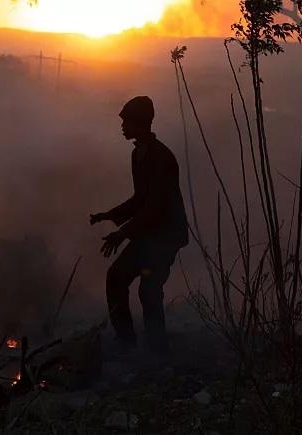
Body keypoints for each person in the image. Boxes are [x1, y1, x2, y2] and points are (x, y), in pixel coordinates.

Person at [90, 96, 188, 354]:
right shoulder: (138, 155)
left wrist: (122, 233)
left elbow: (155, 206)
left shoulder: (162, 158)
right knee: (116, 277)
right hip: (148, 233)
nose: (122, 127)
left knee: (149, 289)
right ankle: (126, 341)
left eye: (126, 122)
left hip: (166, 235)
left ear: (140, 124)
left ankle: (158, 350)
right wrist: (110, 214)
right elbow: (140, 199)